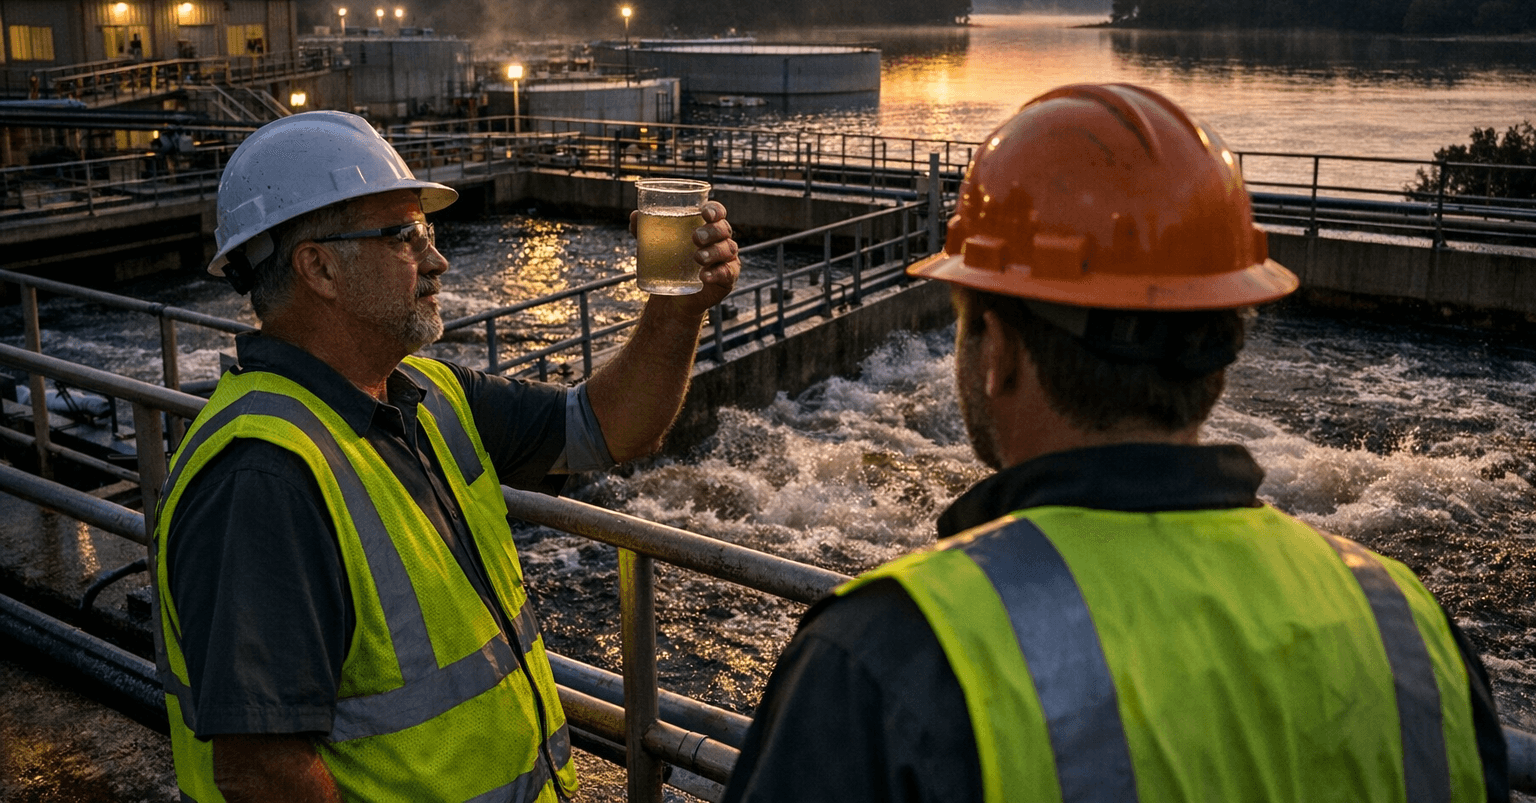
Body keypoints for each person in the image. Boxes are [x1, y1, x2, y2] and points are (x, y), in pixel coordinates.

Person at [724, 83, 1507, 803]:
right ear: (1219, 364)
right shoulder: (1412, 631)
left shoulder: (888, 659)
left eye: (962, 323)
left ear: (996, 352)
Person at [152, 110, 739, 803]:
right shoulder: (265, 476)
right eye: (404, 236)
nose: (437, 260)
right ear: (319, 268)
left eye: (427, 232)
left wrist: (680, 310)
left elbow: (608, 426)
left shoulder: (429, 395)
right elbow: (263, 772)